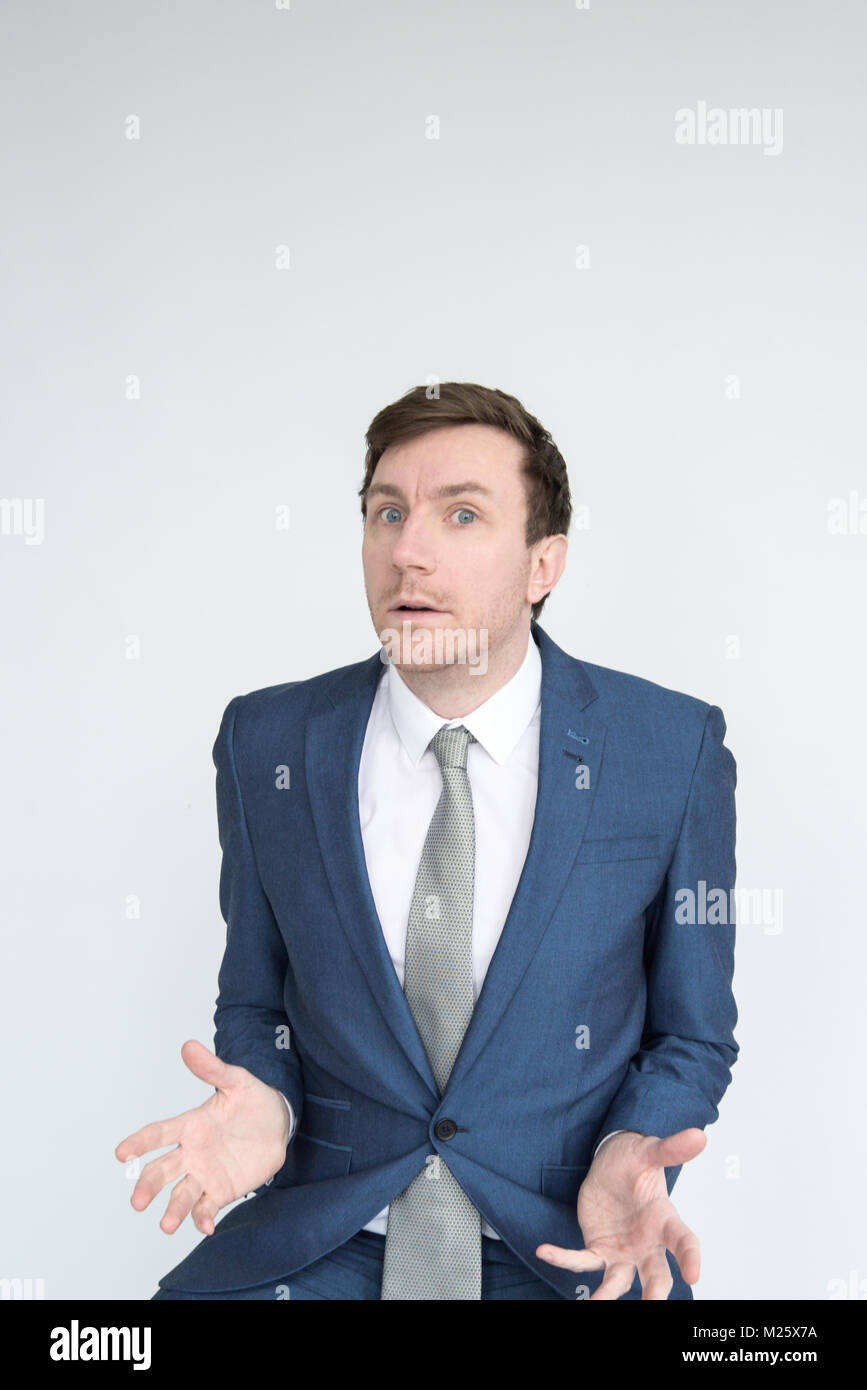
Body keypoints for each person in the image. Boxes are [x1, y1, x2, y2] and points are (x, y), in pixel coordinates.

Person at [116, 381, 738, 1301]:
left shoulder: (667, 748)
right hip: (328, 1240)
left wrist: (625, 1150)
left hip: (569, 1245)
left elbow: (691, 1034)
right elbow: (254, 1002)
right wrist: (272, 1106)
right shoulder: (268, 742)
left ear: (542, 565)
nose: (407, 552)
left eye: (460, 515)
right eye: (386, 513)